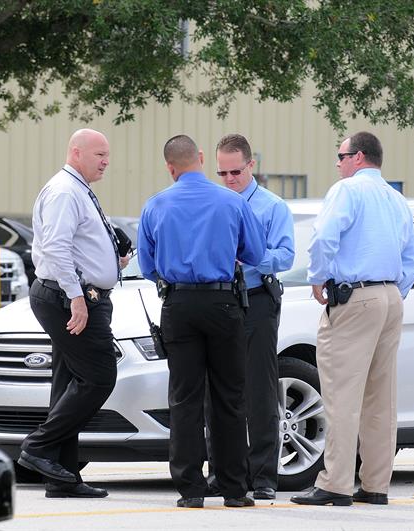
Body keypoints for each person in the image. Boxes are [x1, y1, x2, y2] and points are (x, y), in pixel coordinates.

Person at [290, 131, 414, 507]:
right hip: (391, 297)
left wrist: (318, 278)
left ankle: (335, 483)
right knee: (381, 398)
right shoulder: (396, 199)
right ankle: (376, 484)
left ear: (358, 157)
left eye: (341, 155)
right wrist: (393, 293)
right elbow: (413, 260)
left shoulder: (347, 191)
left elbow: (324, 237)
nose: (337, 163)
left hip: (354, 296)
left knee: (341, 396)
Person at [137, 134, 265, 509]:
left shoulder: (155, 205)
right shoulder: (232, 201)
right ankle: (234, 488)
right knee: (229, 396)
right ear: (202, 159)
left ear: (170, 167)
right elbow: (256, 252)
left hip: (177, 304)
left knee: (184, 397)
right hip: (224, 303)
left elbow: (147, 266)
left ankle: (191, 489)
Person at [18, 128, 129, 499]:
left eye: (107, 154)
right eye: (99, 154)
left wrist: (115, 260)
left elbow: (79, 247)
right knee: (99, 377)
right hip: (69, 299)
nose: (106, 161)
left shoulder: (78, 189)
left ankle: (61, 476)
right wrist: (77, 298)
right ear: (76, 152)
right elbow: (56, 249)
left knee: (68, 382)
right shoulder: (65, 191)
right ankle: (37, 448)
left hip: (76, 295)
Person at [205, 134, 294, 500]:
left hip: (256, 299)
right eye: (222, 172)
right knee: (218, 392)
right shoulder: (212, 204)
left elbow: (285, 255)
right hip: (220, 301)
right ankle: (223, 473)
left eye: (235, 171)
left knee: (259, 389)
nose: (229, 179)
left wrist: (251, 256)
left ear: (251, 165)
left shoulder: (272, 207)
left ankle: (263, 476)